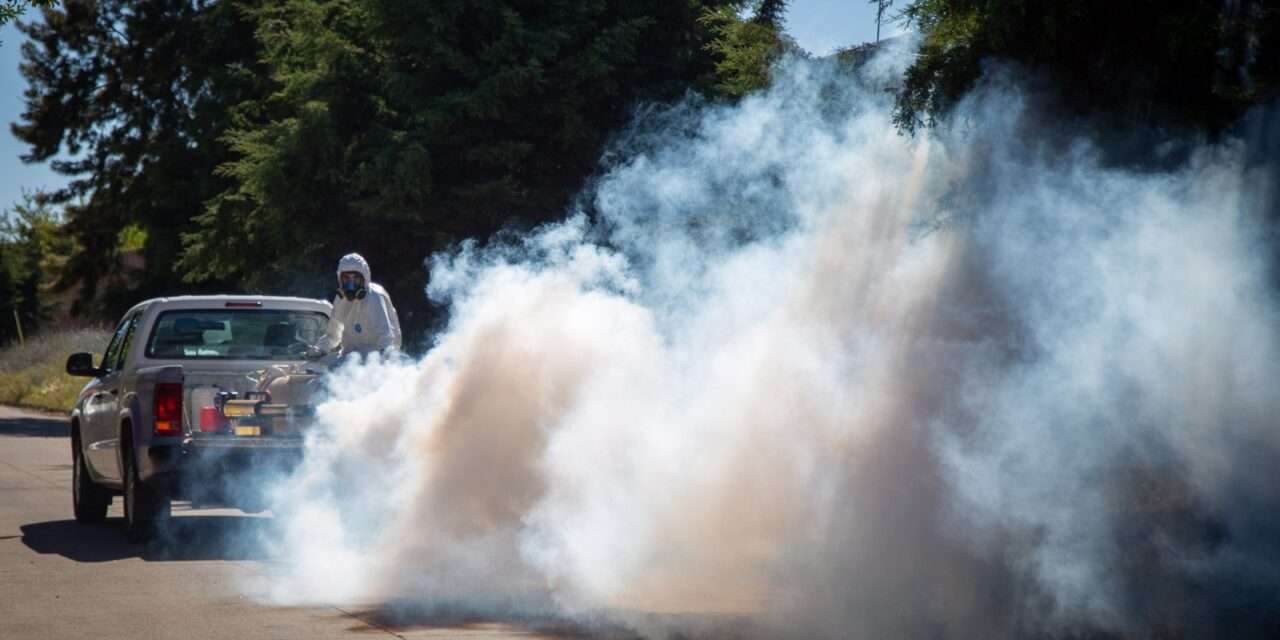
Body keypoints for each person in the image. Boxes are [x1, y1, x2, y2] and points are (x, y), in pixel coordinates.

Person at [322, 253, 402, 356]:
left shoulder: (375, 296)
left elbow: (386, 338)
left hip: (374, 362)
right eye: (346, 278)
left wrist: (384, 363)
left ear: (364, 279)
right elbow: (333, 335)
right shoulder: (341, 299)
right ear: (340, 279)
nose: (350, 284)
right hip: (349, 359)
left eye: (355, 278)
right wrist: (320, 349)